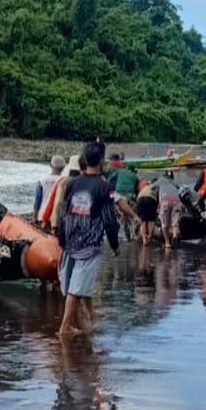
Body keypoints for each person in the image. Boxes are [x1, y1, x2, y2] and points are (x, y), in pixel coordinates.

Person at [56, 143, 120, 334]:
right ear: (101, 161)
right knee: (76, 288)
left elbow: (63, 212)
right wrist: (115, 244)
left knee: (77, 283)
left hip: (69, 240)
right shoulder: (104, 187)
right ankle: (65, 327)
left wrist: (61, 238)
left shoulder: (72, 183)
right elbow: (109, 219)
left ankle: (89, 315)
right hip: (89, 243)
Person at [34, 155, 66, 228]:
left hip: (42, 215)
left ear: (50, 165)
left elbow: (37, 200)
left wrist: (34, 216)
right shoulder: (64, 181)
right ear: (64, 167)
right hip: (58, 217)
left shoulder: (42, 180)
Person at [155, 170, 182, 250]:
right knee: (175, 223)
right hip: (177, 202)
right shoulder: (175, 184)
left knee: (164, 224)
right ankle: (174, 235)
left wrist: (159, 207)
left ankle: (167, 243)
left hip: (165, 201)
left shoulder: (162, 184)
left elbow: (159, 196)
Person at [134, 177, 159, 245]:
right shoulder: (157, 187)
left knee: (143, 221)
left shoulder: (145, 186)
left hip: (140, 199)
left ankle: (144, 240)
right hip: (151, 198)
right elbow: (158, 200)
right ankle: (149, 238)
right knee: (151, 220)